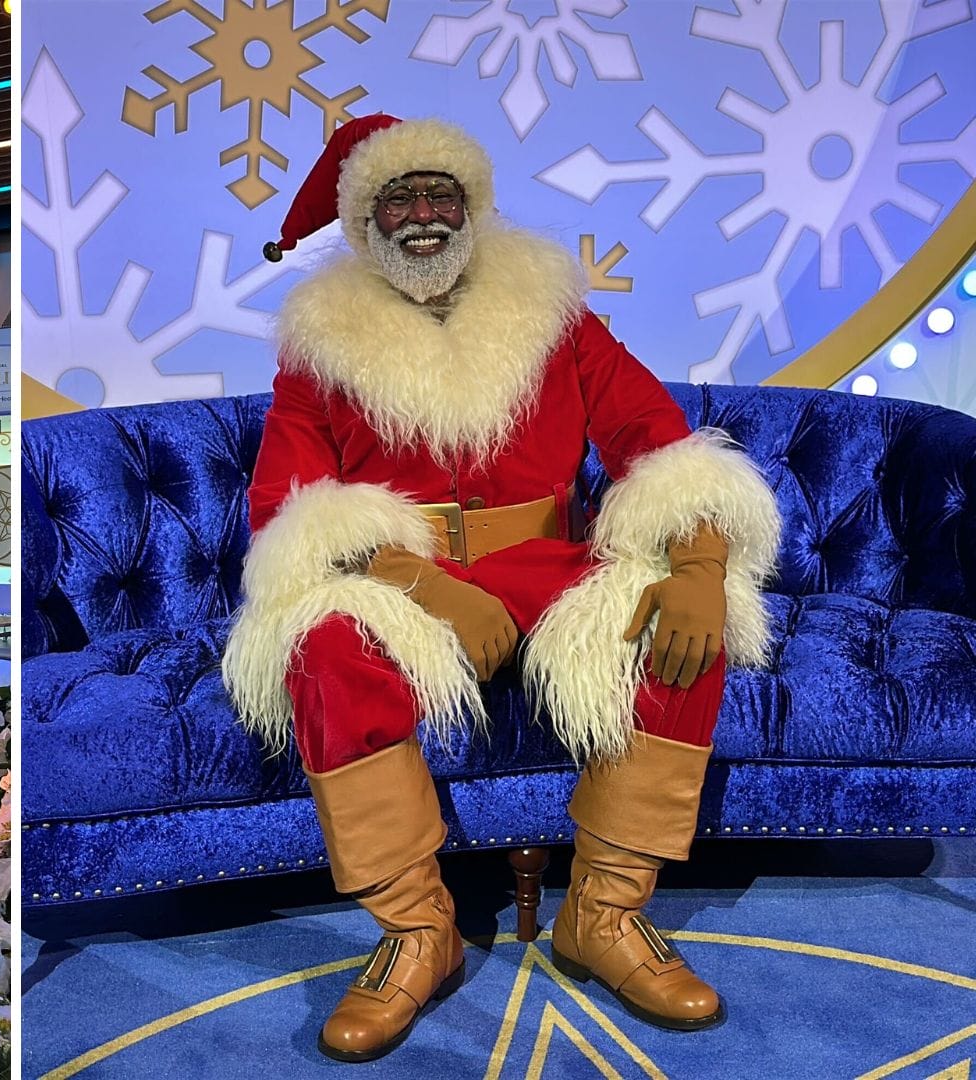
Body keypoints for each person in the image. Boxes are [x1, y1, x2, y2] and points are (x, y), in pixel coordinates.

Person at [221, 114, 781, 1062]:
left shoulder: (553, 310)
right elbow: (290, 506)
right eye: (398, 198)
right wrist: (419, 583)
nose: (423, 216)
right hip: (403, 581)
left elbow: (655, 433)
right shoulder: (317, 344)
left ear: (475, 203)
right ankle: (417, 930)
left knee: (680, 624)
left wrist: (698, 563)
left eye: (441, 193)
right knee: (322, 647)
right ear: (363, 221)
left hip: (554, 568)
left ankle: (604, 915)